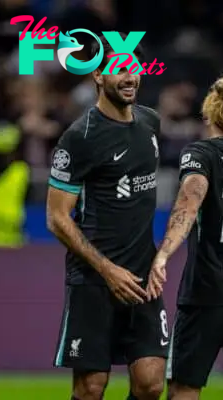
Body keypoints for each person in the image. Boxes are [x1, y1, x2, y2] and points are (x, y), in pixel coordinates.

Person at [47, 34, 166, 400]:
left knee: (150, 383)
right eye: (118, 68)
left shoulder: (150, 122)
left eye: (135, 68)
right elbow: (57, 218)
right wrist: (107, 269)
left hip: (142, 278)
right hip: (94, 281)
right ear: (97, 75)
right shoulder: (80, 138)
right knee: (91, 387)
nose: (130, 77)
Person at [145, 76, 223, 400]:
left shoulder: (200, 153)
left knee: (184, 390)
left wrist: (163, 254)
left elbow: (189, 201)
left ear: (207, 114)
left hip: (208, 291)